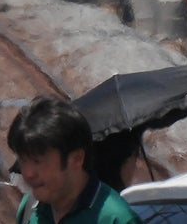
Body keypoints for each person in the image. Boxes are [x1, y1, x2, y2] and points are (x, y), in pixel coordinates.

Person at [8, 96, 142, 224]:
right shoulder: (29, 208)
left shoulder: (115, 218)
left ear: (77, 159)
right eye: (23, 160)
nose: (28, 173)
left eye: (37, 161)